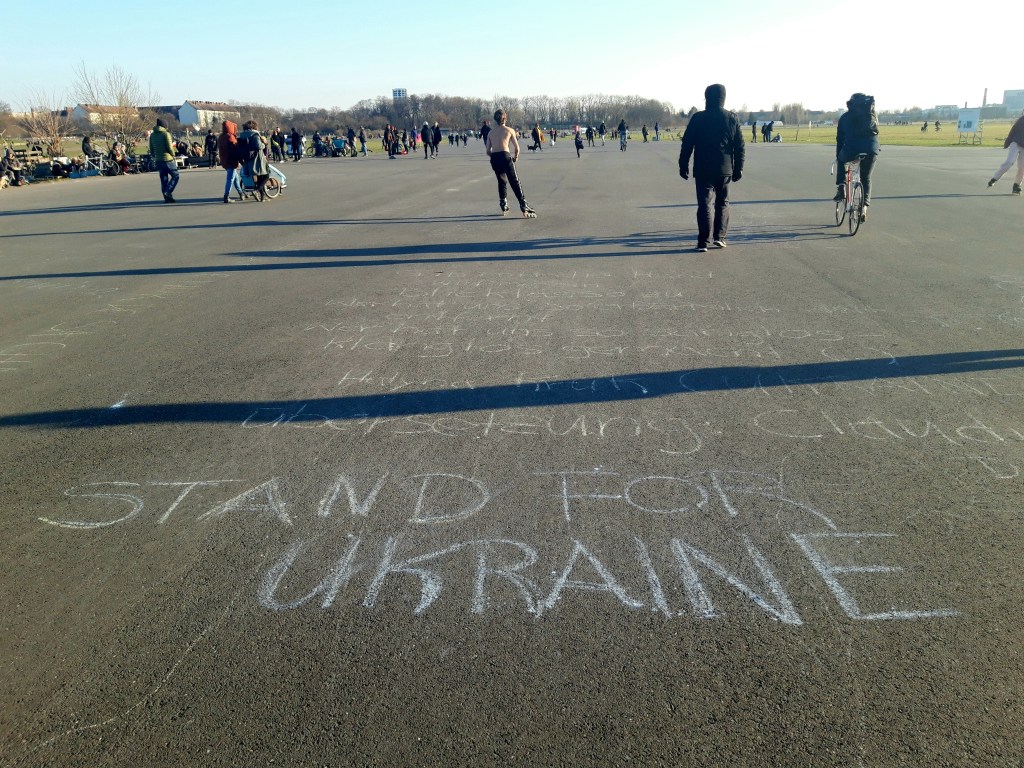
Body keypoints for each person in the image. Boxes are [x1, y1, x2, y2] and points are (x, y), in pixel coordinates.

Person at [678, 83, 745, 252]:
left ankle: (703, 241)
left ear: (707, 98)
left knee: (704, 204)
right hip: (724, 168)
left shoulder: (698, 118)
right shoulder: (731, 118)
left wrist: (683, 164)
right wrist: (739, 167)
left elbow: (687, 143)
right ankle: (719, 237)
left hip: (703, 167)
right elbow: (739, 146)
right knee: (722, 202)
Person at [833, 93, 880, 218]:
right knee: (866, 178)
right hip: (871, 149)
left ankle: (841, 188)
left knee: (842, 160)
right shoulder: (872, 115)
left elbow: (840, 139)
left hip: (852, 148)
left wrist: (838, 156)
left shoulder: (845, 117)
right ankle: (864, 207)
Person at [485, 108, 536, 218]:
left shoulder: (490, 133)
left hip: (495, 157)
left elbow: (488, 151)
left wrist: (494, 157)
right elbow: (517, 148)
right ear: (505, 119)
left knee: (501, 181)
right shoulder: (509, 130)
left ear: (495, 120)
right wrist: (515, 157)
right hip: (505, 156)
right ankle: (523, 204)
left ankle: (503, 203)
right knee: (514, 181)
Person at [988, 112, 1024, 196]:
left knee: (1022, 167)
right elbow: (1012, 131)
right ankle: (995, 178)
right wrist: (1007, 142)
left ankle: (1017, 185)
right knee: (1010, 162)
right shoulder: (1020, 120)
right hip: (1016, 143)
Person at [148, 118, 179, 203]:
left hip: (158, 159)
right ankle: (168, 192)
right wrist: (173, 154)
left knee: (164, 178)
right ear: (164, 126)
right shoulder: (166, 134)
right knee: (175, 175)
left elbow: (151, 148)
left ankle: (167, 198)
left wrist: (155, 156)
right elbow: (170, 147)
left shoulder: (152, 135)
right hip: (167, 159)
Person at [238, 120, 270, 201]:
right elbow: (258, 146)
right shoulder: (254, 135)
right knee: (266, 176)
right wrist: (264, 144)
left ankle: (262, 197)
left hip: (248, 159)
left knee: (259, 177)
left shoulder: (242, 136)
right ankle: (256, 190)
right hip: (257, 159)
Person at [217, 120, 242, 203]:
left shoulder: (221, 137)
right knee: (230, 179)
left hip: (225, 160)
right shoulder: (230, 137)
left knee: (235, 178)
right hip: (231, 160)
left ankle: (241, 193)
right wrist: (240, 160)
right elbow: (235, 149)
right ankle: (226, 196)